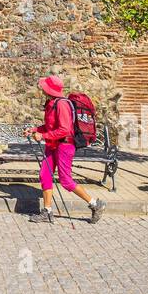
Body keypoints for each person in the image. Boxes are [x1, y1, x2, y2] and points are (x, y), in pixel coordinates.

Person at [27, 75, 107, 225]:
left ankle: (95, 204)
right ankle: (47, 211)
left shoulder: (62, 104)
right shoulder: (51, 103)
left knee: (65, 181)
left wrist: (42, 135)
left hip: (64, 146)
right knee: (45, 175)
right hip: (52, 145)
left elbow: (64, 129)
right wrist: (34, 130)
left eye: (44, 87)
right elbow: (51, 126)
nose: (42, 89)